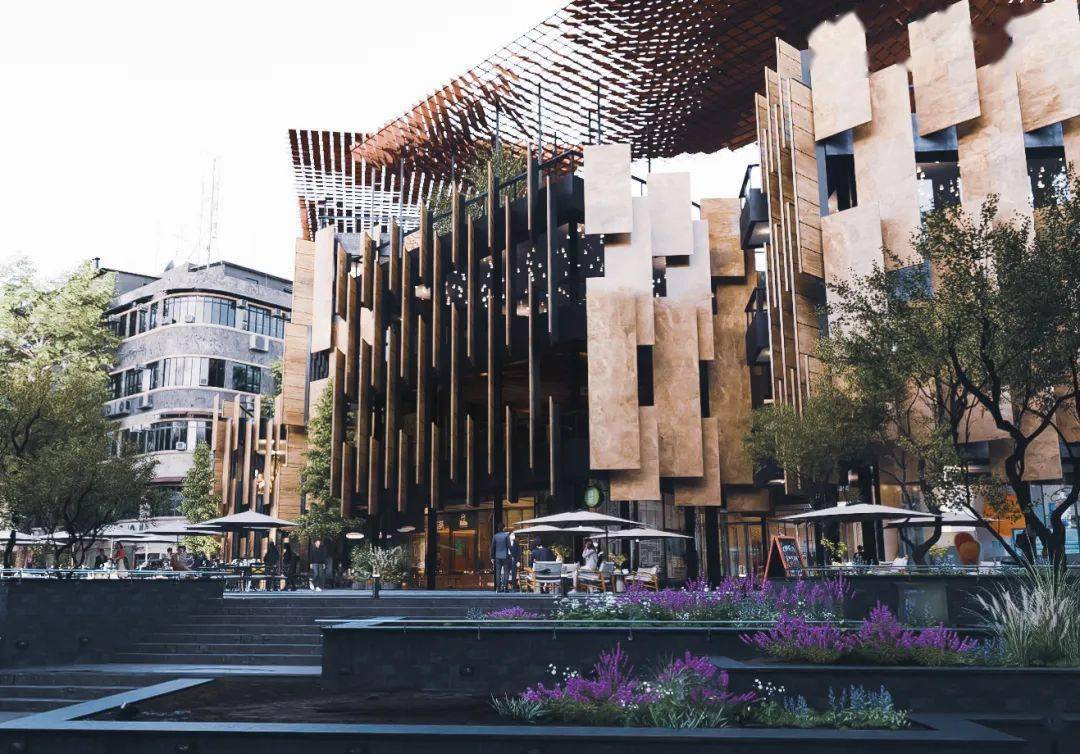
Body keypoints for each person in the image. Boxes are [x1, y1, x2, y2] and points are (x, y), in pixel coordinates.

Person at [490, 525, 513, 592]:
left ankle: (498, 588)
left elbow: (492, 547)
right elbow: (509, 546)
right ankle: (505, 587)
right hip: (505, 556)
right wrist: (512, 554)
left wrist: (492, 557)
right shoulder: (506, 536)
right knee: (506, 572)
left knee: (498, 572)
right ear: (503, 528)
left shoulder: (495, 536)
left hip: (497, 556)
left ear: (498, 528)